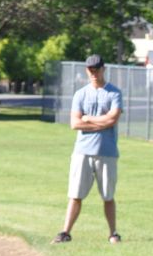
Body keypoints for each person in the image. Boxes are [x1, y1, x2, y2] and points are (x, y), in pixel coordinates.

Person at [52, 54, 123, 244]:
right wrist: (100, 123)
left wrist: (88, 118)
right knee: (75, 194)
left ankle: (113, 233)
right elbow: (75, 123)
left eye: (97, 69)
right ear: (86, 70)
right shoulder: (81, 94)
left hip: (106, 152)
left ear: (103, 69)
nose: (94, 73)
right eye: (90, 70)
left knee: (108, 196)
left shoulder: (114, 93)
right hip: (82, 151)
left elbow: (112, 119)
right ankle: (65, 232)